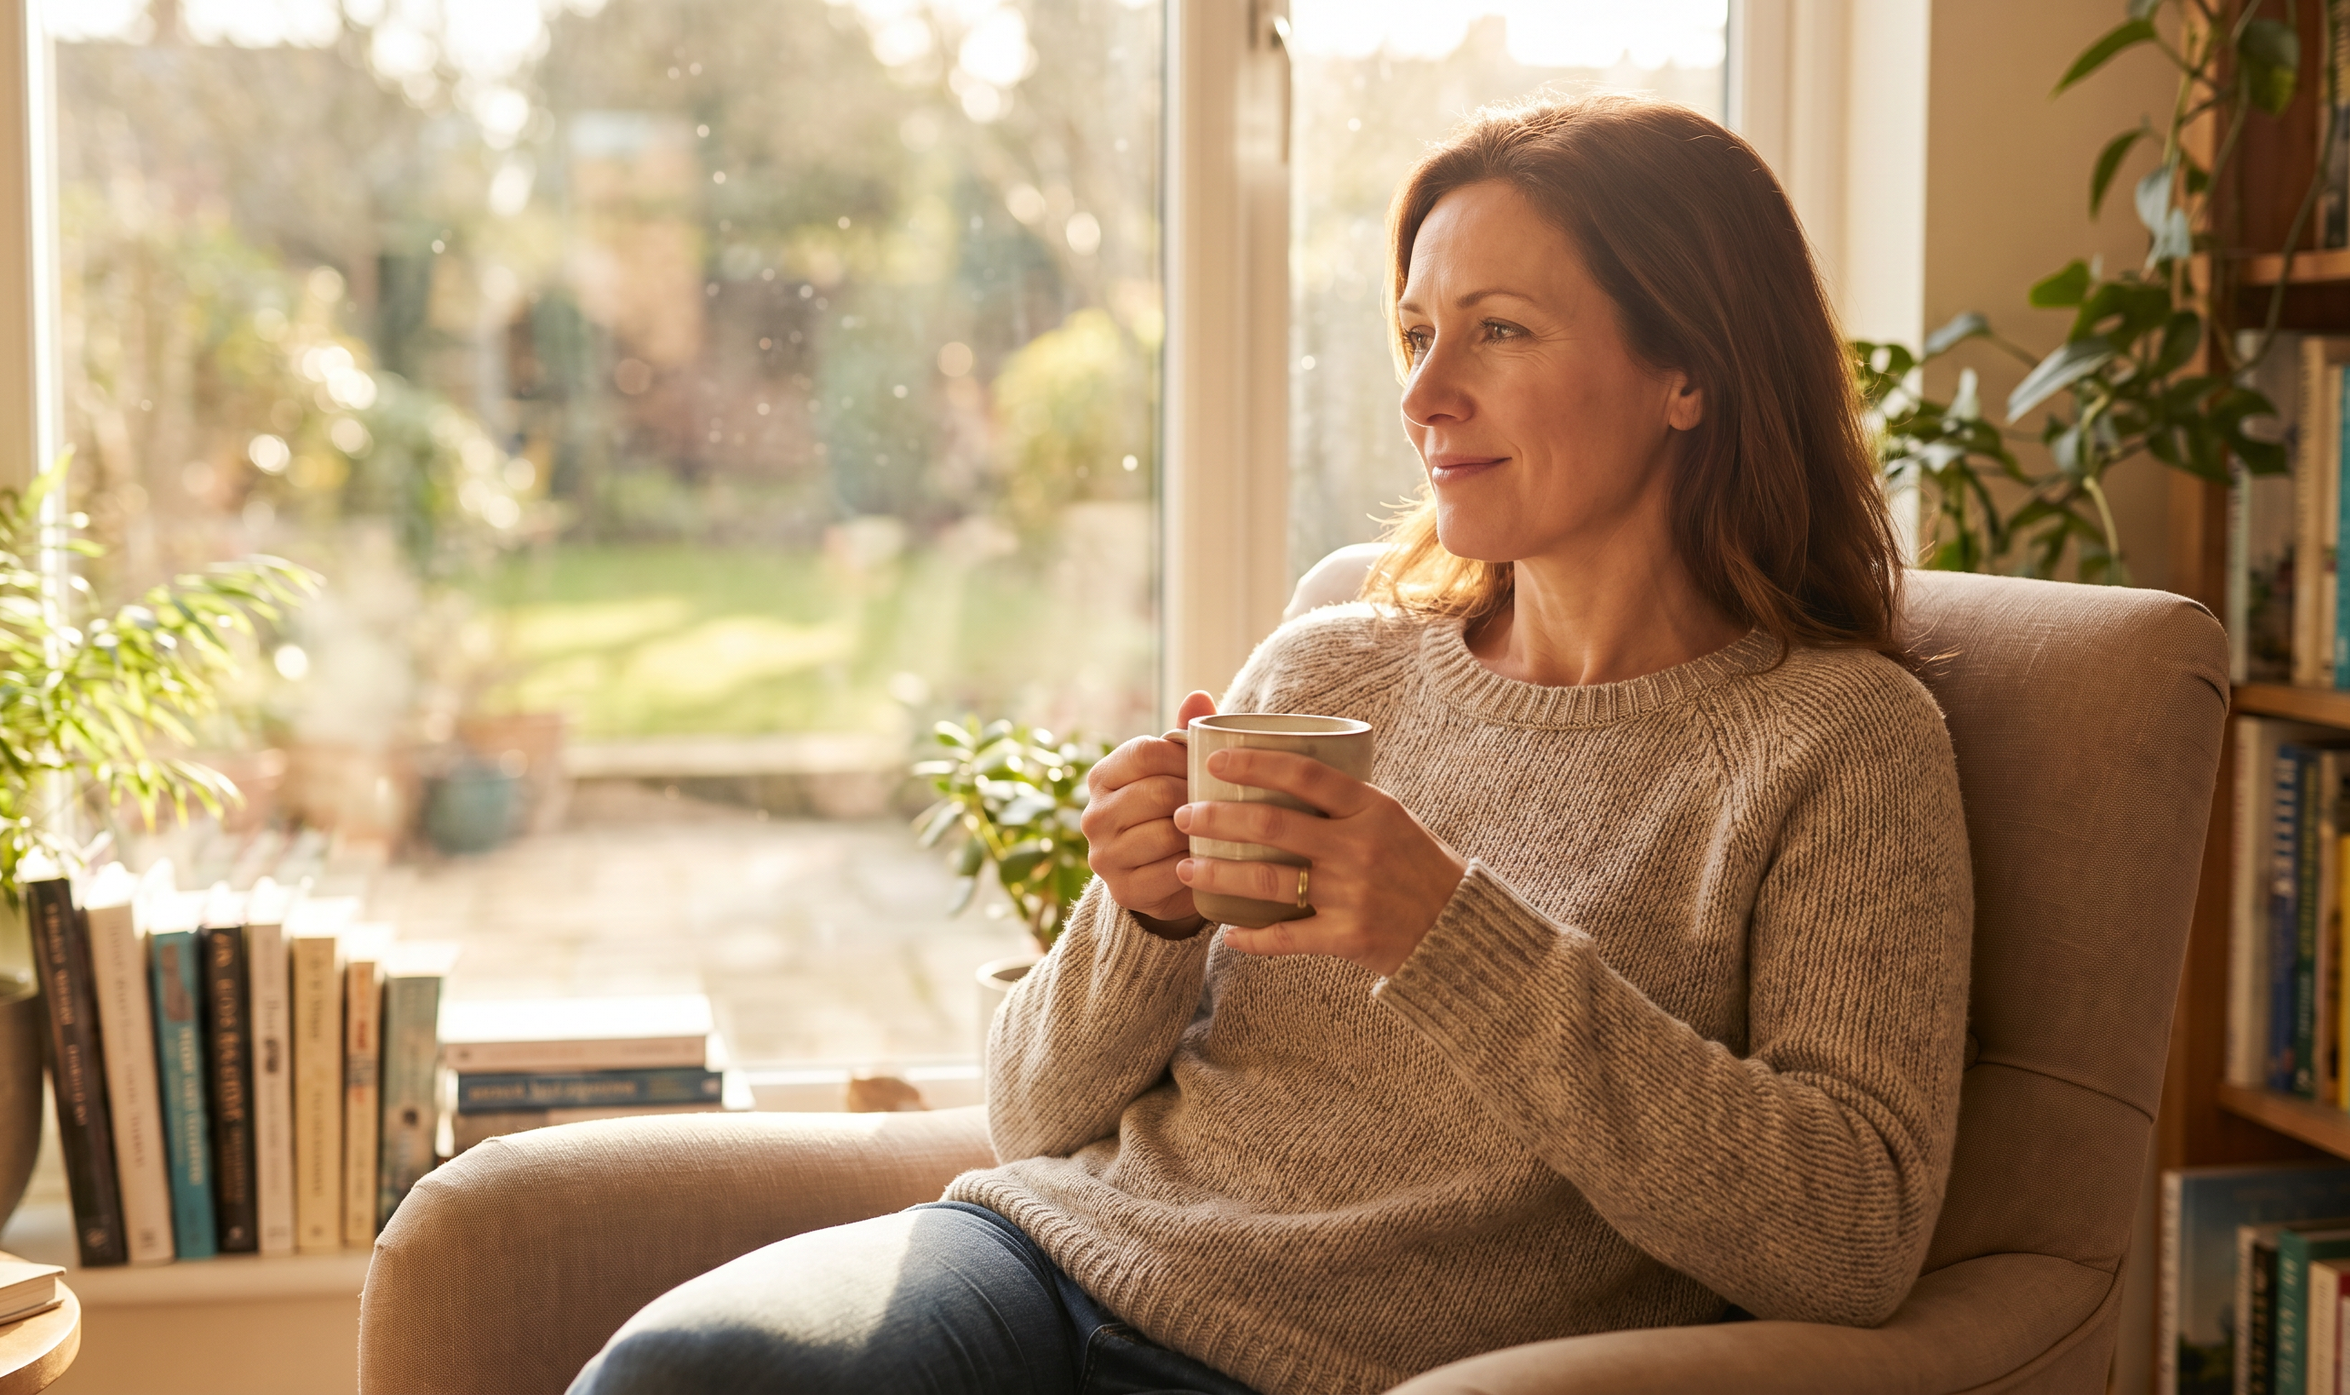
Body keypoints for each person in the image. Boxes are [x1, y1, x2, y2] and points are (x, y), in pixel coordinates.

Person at [570, 91, 1972, 1395]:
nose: (1426, 398)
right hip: (1042, 1266)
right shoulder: (1335, 661)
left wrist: (1452, 935)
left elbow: (1848, 1235)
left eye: (1499, 331)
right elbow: (1029, 1107)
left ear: (1692, 371)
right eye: (1419, 333)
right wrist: (1141, 914)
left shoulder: (1837, 742)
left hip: (1357, 1368)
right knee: (685, 1370)